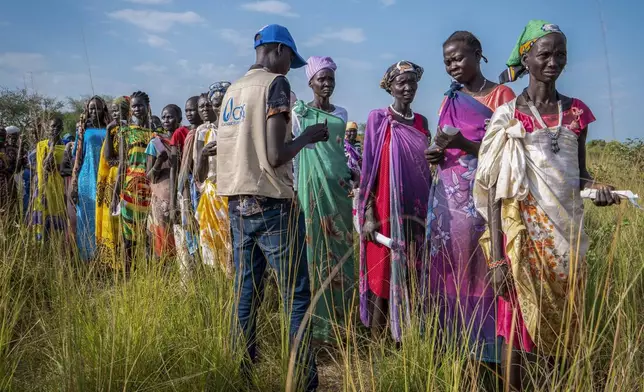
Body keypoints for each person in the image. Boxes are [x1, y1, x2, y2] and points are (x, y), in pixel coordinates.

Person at [473, 20, 620, 390]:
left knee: (565, 329)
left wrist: (598, 187)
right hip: (522, 239)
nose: (554, 61)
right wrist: (495, 258)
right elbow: (492, 190)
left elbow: (581, 175)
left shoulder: (577, 114)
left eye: (561, 54)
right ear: (527, 58)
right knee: (519, 330)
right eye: (545, 54)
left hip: (567, 242)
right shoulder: (508, 116)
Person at [217, 24, 328, 391]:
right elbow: (276, 154)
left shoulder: (231, 91)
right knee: (296, 296)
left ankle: (241, 376)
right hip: (271, 205)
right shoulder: (275, 86)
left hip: (236, 204)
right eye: (288, 59)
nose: (288, 68)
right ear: (277, 49)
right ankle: (305, 382)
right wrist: (308, 138)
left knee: (246, 292)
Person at [424, 31, 516, 366]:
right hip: (447, 204)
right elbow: (441, 142)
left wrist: (465, 146)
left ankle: (490, 355)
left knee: (484, 269)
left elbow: (507, 152)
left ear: (478, 54)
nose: (452, 66)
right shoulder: (448, 97)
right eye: (447, 61)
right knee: (450, 271)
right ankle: (454, 351)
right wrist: (436, 153)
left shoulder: (502, 95)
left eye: (458, 58)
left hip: (484, 201)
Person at [358, 61, 431, 341]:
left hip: (416, 209)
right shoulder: (378, 118)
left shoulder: (422, 122)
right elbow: (368, 170)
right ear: (390, 86)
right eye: (401, 82)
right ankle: (378, 344)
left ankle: (409, 339)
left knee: (413, 272)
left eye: (412, 82)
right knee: (383, 274)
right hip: (385, 209)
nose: (408, 87)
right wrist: (367, 213)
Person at [291, 56, 354, 344]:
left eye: (330, 79)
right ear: (310, 82)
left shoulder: (341, 113)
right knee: (314, 254)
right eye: (321, 79)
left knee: (342, 252)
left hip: (339, 189)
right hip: (310, 189)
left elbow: (338, 153)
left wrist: (353, 172)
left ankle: (344, 324)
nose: (326, 83)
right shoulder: (299, 114)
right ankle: (318, 329)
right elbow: (292, 150)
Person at [111, 91, 153, 267]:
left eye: (140, 105)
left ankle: (150, 277)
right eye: (134, 105)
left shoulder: (155, 132)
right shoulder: (125, 132)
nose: (137, 109)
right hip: (129, 190)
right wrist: (115, 195)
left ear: (147, 107)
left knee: (149, 236)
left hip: (151, 190)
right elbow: (122, 163)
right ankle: (129, 275)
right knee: (129, 238)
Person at [67, 96, 111, 261]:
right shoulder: (83, 129)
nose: (94, 111)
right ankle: (87, 258)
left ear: (103, 109)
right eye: (91, 108)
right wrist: (74, 182)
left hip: (106, 177)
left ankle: (105, 258)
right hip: (87, 176)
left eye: (97, 108)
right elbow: (77, 157)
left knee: (105, 216)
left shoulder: (110, 128)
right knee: (86, 217)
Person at [145, 104, 183, 258]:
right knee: (162, 240)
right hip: (161, 200)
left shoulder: (184, 139)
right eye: (164, 117)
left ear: (179, 119)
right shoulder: (155, 144)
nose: (166, 120)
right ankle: (163, 275)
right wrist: (159, 161)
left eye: (170, 116)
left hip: (181, 195)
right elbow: (150, 176)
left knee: (182, 239)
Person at [96, 96, 128, 266]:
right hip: (111, 179)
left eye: (120, 109)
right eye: (114, 109)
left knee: (124, 221)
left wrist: (119, 162)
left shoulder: (129, 132)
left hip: (125, 180)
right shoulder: (114, 131)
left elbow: (124, 161)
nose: (116, 113)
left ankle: (125, 262)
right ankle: (112, 262)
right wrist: (108, 131)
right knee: (112, 218)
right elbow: (109, 158)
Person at [175, 96, 204, 276]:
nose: (190, 114)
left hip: (207, 190)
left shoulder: (205, 131)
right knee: (192, 233)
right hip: (192, 190)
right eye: (187, 111)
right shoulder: (188, 135)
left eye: (193, 110)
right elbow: (184, 170)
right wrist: (184, 199)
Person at [30, 116, 67, 242]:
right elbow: (40, 168)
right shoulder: (40, 146)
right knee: (41, 219)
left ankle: (57, 249)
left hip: (58, 190)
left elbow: (65, 170)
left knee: (57, 222)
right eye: (52, 126)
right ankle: (41, 249)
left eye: (57, 126)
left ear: (62, 129)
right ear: (48, 128)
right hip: (42, 189)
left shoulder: (65, 148)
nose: (55, 129)